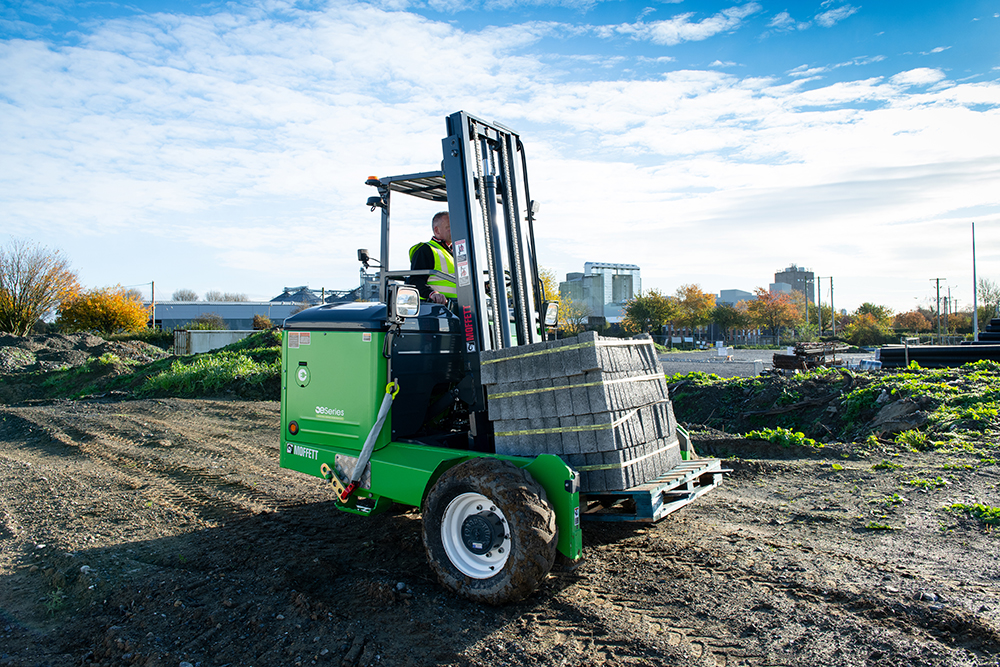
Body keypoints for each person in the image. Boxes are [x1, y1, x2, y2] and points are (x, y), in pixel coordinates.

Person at [408, 211, 456, 304]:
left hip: (463, 304)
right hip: (439, 306)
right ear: (437, 230)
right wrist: (432, 294)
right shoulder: (426, 250)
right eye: (450, 227)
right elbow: (416, 280)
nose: (455, 230)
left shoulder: (457, 252)